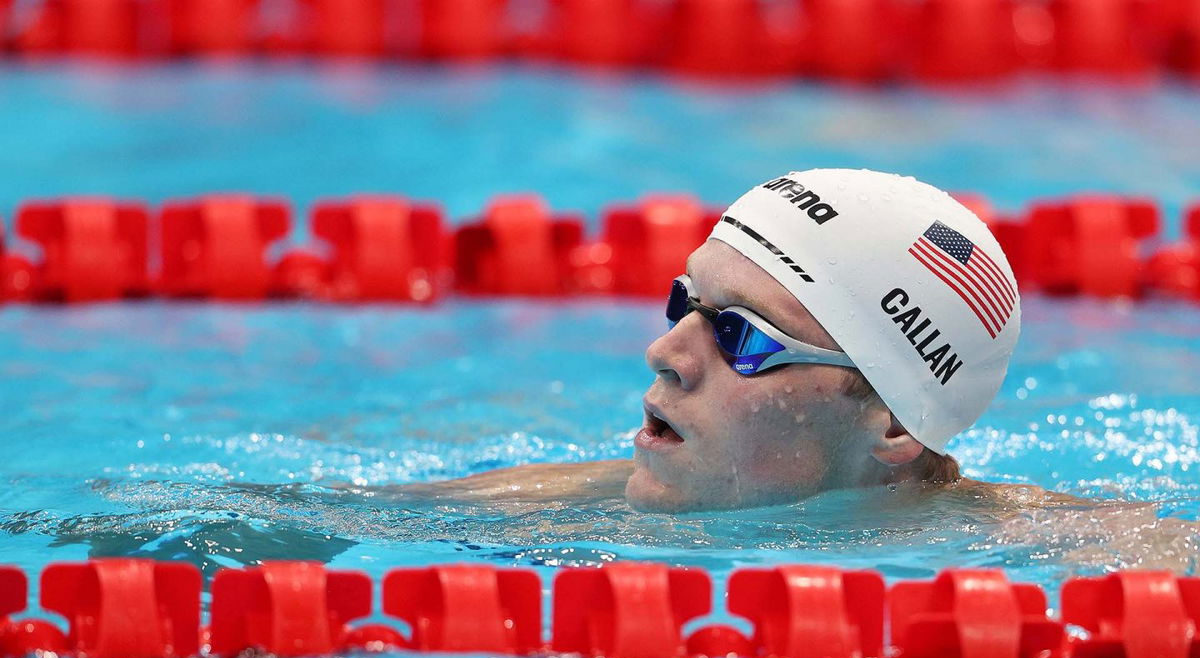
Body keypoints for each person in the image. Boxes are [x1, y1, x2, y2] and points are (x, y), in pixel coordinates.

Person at [403, 168, 1027, 514]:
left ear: (892, 424)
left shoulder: (1059, 558)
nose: (666, 354)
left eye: (742, 335)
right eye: (686, 301)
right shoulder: (537, 506)